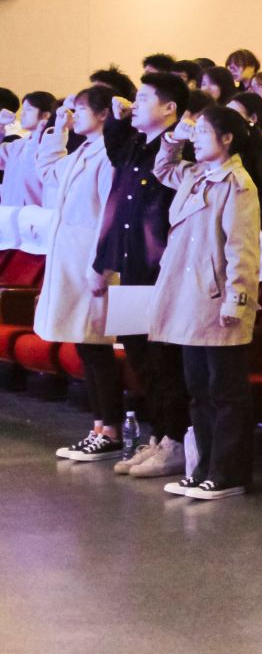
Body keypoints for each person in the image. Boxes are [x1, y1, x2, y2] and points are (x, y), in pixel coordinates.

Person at [151, 103, 262, 500]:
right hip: (189, 299)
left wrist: (237, 300)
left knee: (225, 392)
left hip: (218, 301)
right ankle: (202, 468)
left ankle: (228, 473)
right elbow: (163, 168)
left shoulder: (238, 184)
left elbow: (242, 249)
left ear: (228, 138)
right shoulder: (197, 175)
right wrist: (174, 136)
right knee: (199, 390)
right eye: (196, 131)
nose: (196, 139)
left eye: (204, 132)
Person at [98, 71, 189, 478]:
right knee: (140, 359)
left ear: (170, 108)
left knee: (165, 361)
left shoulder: (180, 149)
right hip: (132, 264)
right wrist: (117, 120)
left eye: (144, 98)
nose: (135, 104)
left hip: (162, 269)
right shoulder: (135, 144)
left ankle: (176, 442)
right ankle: (158, 437)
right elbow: (115, 152)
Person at [39, 89, 121, 461]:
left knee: (97, 347)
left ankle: (111, 430)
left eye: (81, 109)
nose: (75, 114)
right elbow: (48, 171)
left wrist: (100, 266)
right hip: (71, 260)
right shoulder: (84, 150)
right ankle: (98, 426)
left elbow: (108, 215)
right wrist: (59, 127)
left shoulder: (107, 154)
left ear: (103, 114)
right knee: (86, 346)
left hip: (92, 263)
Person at [0, 91, 55, 206]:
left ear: (45, 115)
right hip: (9, 213)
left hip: (33, 214)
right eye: (23, 110)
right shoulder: (16, 145)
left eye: (28, 110)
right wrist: (1, 125)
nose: (22, 114)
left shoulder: (52, 146)